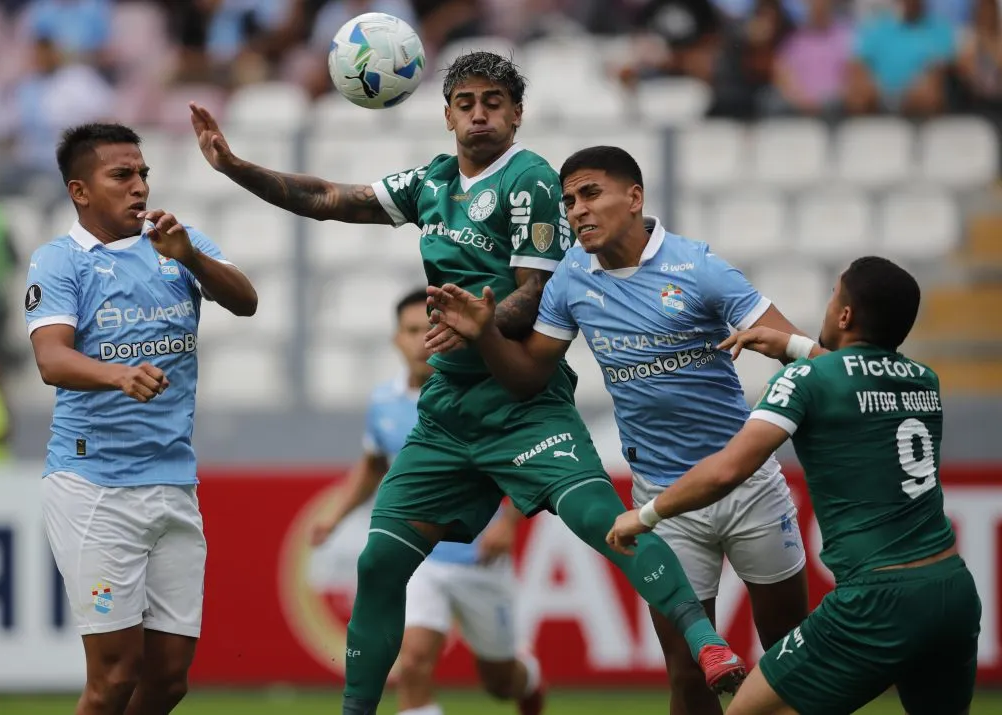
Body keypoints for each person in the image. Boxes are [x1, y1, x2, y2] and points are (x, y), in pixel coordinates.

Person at [190, 50, 745, 715]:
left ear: (515, 113)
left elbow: (535, 291)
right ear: (447, 112)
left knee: (609, 522)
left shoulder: (531, 178)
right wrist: (235, 166)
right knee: (377, 563)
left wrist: (481, 322)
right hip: (448, 413)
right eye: (466, 102)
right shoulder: (433, 181)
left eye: (493, 101)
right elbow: (332, 199)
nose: (479, 113)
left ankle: (708, 642)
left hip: (522, 402)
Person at [425, 145, 810, 715]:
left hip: (748, 487)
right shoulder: (570, 281)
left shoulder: (698, 267)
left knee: (788, 661)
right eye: (569, 200)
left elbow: (808, 364)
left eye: (590, 194)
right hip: (663, 500)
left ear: (634, 198)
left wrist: (790, 362)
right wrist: (487, 334)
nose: (577, 209)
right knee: (688, 675)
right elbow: (530, 377)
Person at [608, 256, 982, 715]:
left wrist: (645, 515)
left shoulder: (804, 380)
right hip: (952, 590)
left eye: (833, 297)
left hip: (877, 597)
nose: (827, 307)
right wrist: (795, 345)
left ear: (845, 315)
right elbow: (856, 377)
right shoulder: (925, 380)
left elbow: (728, 469)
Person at [24, 123, 258, 715]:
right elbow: (51, 359)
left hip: (174, 480)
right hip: (94, 484)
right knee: (114, 677)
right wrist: (117, 374)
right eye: (121, 175)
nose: (139, 187)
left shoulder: (178, 243)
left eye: (144, 174)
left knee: (170, 679)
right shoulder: (59, 262)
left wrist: (192, 256)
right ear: (80, 191)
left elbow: (246, 301)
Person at [313, 288, 545, 715]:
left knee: (500, 681)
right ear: (395, 339)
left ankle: (527, 678)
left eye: (430, 328)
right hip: (421, 557)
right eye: (412, 330)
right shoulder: (383, 401)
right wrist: (335, 516)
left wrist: (507, 523)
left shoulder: (478, 391)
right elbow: (373, 464)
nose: (422, 339)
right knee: (414, 661)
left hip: (479, 559)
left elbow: (520, 461)